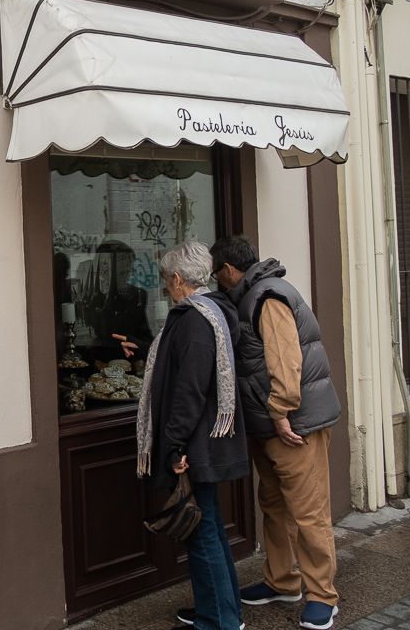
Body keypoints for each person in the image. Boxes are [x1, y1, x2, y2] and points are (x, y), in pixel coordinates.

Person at [210, 237, 342, 630]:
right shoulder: (253, 294)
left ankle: (323, 596)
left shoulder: (267, 297)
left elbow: (286, 361)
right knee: (274, 505)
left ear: (229, 270)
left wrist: (281, 412)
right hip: (268, 425)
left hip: (292, 425)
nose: (217, 280)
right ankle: (283, 581)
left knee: (308, 512)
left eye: (217, 273)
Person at [136, 242, 247, 630]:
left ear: (179, 279)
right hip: (205, 441)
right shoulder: (213, 312)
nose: (167, 287)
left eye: (168, 280)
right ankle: (224, 611)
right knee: (210, 527)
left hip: (196, 444)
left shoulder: (195, 319)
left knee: (201, 533)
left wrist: (175, 445)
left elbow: (190, 389)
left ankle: (219, 621)